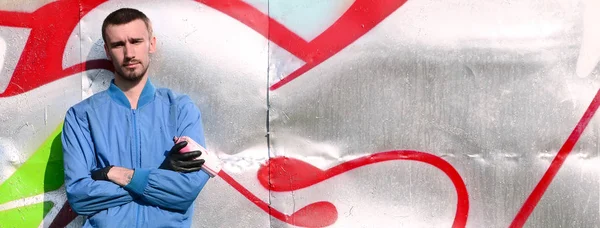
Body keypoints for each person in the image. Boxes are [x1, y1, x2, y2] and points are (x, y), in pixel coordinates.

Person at [61, 8, 211, 227]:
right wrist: (161, 177)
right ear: (107, 50)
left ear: (151, 44)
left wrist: (115, 174)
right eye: (118, 44)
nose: (129, 53)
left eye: (136, 41)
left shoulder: (180, 109)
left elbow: (186, 189)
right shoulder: (81, 116)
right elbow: (79, 196)